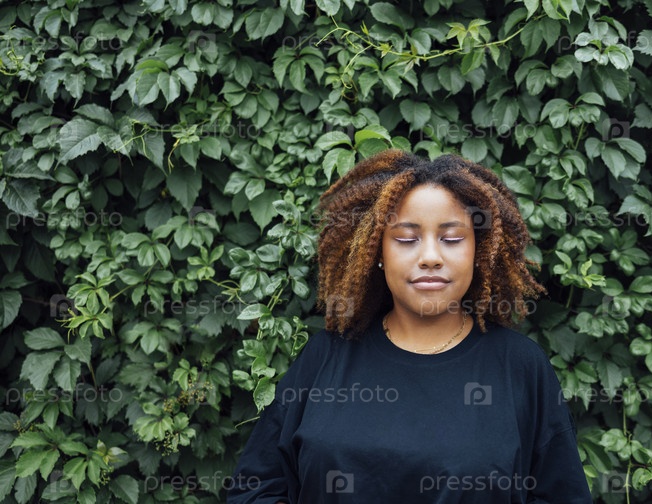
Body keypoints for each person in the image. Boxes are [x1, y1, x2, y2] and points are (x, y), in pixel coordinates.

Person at [227, 149, 592, 503]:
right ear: (377, 252)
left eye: (451, 239)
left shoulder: (520, 367)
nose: (430, 257)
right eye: (406, 239)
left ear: (478, 251)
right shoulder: (326, 357)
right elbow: (256, 488)